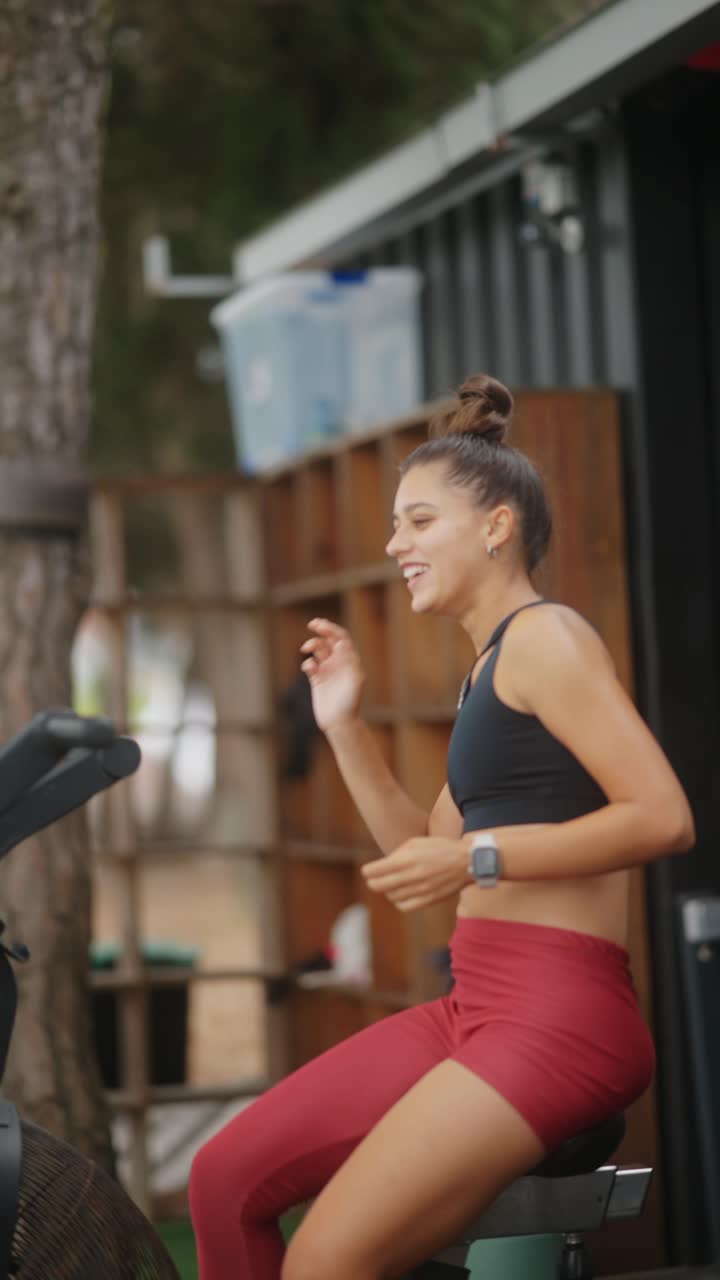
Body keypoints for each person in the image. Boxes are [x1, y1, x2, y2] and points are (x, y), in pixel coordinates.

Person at [189, 373, 694, 1280]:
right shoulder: (486, 674)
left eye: (419, 522)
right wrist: (344, 724)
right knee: (225, 1178)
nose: (395, 544)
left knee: (324, 1264)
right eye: (395, 524)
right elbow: (426, 858)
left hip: (561, 1021)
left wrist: (481, 853)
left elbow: (663, 817)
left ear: (497, 525)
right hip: (477, 1007)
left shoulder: (550, 639)